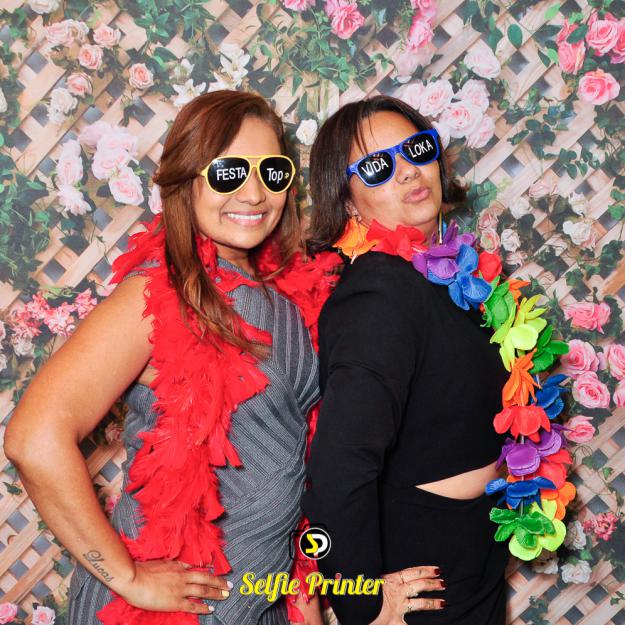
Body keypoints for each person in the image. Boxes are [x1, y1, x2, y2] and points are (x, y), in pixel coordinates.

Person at [4, 90, 337, 625]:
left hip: (259, 603)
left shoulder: (288, 300)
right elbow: (33, 437)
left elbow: (291, 475)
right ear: (187, 180)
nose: (255, 192)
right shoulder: (161, 292)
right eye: (229, 172)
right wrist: (128, 578)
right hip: (169, 612)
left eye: (272, 172)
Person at [302, 95, 511, 625]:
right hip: (425, 571)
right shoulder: (378, 292)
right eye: (377, 167)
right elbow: (337, 470)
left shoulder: (447, 276)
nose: (408, 171)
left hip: (474, 551)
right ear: (348, 203)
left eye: (417, 150)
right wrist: (361, 606)